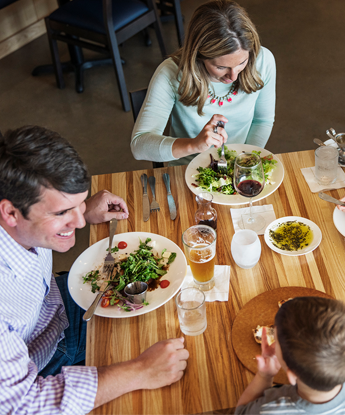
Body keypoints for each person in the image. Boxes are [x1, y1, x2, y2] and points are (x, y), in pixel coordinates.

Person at [0, 126, 189, 414]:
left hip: (56, 306)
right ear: (11, 213)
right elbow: (23, 404)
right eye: (62, 212)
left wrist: (83, 208)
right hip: (46, 366)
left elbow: (57, 216)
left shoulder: (20, 206)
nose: (77, 223)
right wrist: (139, 371)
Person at [131, 0, 276, 166]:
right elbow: (139, 146)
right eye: (221, 67)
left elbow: (262, 121)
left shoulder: (263, 61)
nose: (233, 76)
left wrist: (244, 162)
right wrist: (193, 145)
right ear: (198, 55)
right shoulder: (171, 72)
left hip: (239, 164)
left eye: (242, 62)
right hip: (186, 169)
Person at [235, 296, 345, 414]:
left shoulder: (269, 409)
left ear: (292, 376)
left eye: (276, 341)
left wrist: (264, 376)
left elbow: (242, 411)